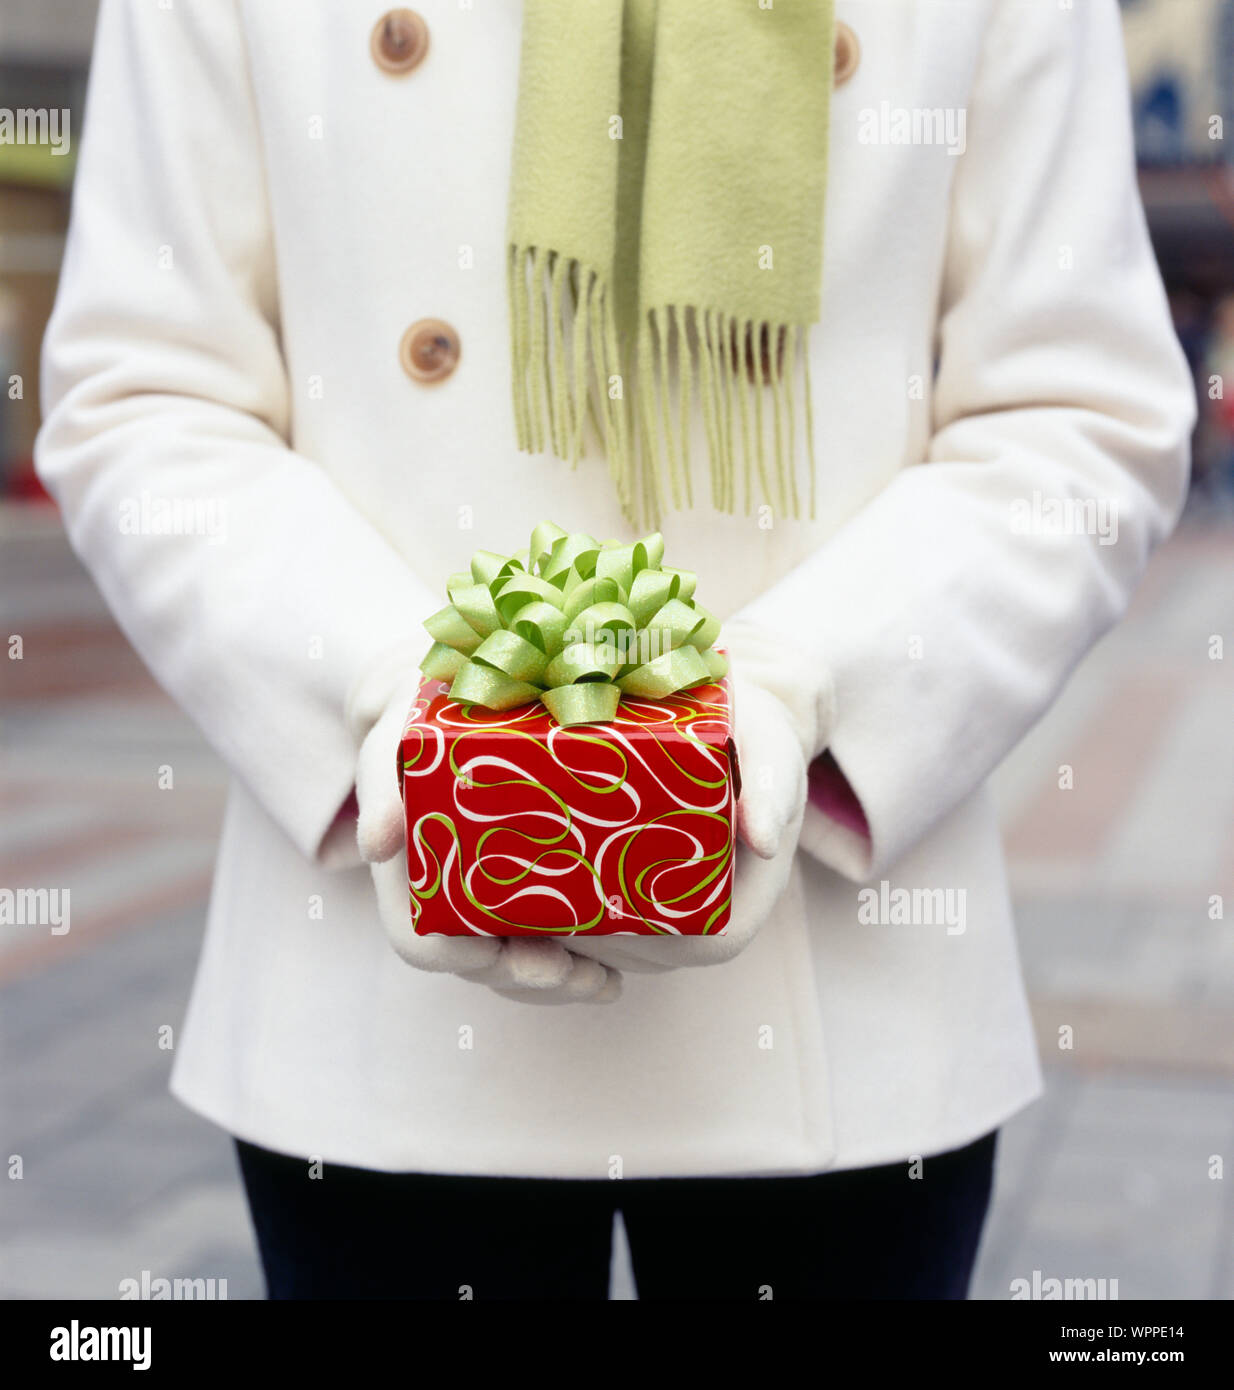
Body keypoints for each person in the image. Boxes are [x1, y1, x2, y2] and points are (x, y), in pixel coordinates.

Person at [36, 0, 1194, 1300]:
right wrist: (397, 711)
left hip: (839, 998)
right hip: (381, 982)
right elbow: (147, 390)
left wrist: (799, 689)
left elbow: (1075, 410)